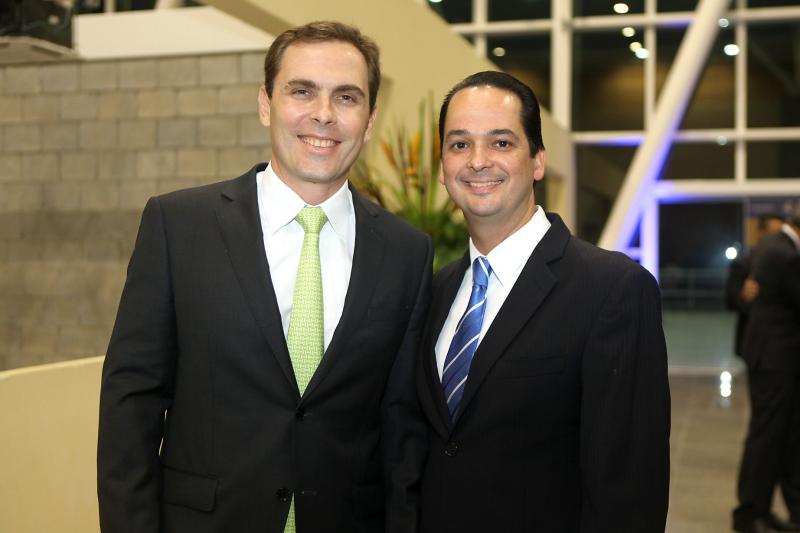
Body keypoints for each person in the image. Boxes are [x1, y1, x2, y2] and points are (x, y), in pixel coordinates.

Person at [97, 21, 431, 533]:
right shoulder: (179, 225)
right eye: (302, 91)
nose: (323, 114)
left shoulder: (407, 252)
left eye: (346, 97)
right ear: (265, 104)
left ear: (369, 121)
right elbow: (132, 401)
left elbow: (402, 428)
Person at [415, 71, 670, 532]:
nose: (477, 161)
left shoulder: (613, 289)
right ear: (443, 166)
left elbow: (628, 491)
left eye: (501, 143)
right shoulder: (436, 289)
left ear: (537, 161)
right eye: (459, 144)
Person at [733, 215, 800, 533]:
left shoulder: (772, 246)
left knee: (780, 436)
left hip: (774, 358)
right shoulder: (785, 254)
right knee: (767, 436)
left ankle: (760, 509)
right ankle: (750, 514)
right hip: (776, 359)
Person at [725, 214, 785, 358]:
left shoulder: (789, 264)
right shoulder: (743, 264)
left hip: (784, 342)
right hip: (753, 342)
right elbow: (730, 301)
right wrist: (743, 296)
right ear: (761, 233)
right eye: (774, 234)